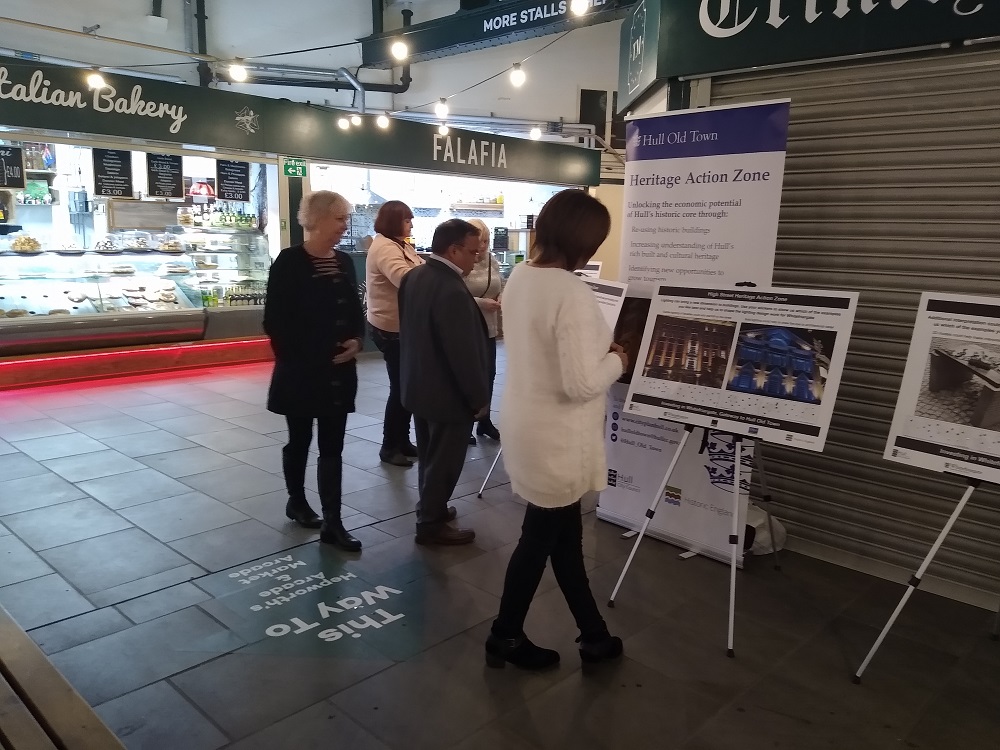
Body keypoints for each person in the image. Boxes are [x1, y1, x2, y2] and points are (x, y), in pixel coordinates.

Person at [485, 189, 628, 670]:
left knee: (563, 539)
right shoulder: (570, 292)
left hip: (527, 423)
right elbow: (582, 383)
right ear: (583, 240)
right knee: (540, 540)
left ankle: (594, 636)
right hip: (557, 439)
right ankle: (503, 636)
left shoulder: (520, 276)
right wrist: (619, 359)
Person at [263, 191, 364, 551]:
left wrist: (356, 340)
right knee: (301, 438)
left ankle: (333, 522)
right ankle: (297, 500)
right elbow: (275, 322)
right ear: (318, 219)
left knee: (333, 446)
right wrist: (309, 356)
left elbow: (354, 310)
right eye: (340, 219)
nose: (344, 226)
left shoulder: (344, 262)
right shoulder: (290, 262)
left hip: (339, 372)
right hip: (301, 372)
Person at [399, 219, 490, 546]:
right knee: (445, 462)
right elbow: (461, 353)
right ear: (452, 250)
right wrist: (478, 397)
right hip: (447, 395)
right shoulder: (450, 288)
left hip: (419, 386)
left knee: (429, 454)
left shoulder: (415, 277)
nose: (476, 258)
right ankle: (431, 524)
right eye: (471, 251)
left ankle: (431, 507)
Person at [366, 200, 424, 467]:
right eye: (407, 219)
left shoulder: (401, 245)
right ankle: (389, 446)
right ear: (394, 222)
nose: (411, 223)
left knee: (406, 386)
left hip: (403, 326)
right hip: (391, 328)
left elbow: (419, 266)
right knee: (401, 388)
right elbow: (404, 278)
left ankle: (402, 440)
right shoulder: (385, 247)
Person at [463, 218, 503, 444]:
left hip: (489, 325)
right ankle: (466, 422)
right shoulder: (463, 263)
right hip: (468, 325)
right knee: (471, 376)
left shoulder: (492, 261)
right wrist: (481, 302)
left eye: (487, 240)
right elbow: (455, 294)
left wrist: (502, 297)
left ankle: (484, 420)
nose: (484, 246)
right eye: (480, 241)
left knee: (489, 373)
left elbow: (501, 282)